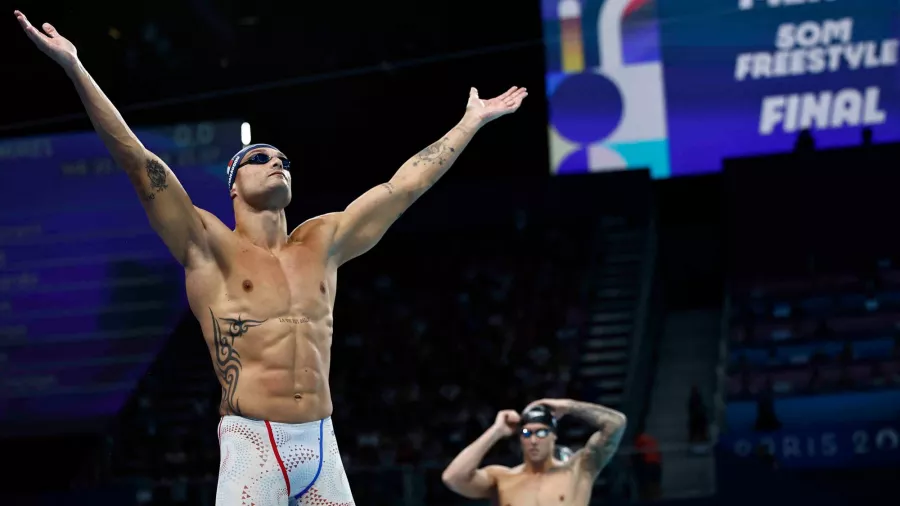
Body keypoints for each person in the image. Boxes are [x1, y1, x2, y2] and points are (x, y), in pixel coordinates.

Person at [14, 10, 528, 506]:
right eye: (260, 158)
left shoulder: (322, 241)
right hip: (253, 446)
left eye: (282, 159)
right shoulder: (207, 243)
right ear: (233, 184)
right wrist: (75, 66)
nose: (276, 162)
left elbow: (404, 185)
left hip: (323, 445)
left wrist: (472, 122)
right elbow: (136, 158)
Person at [442, 398, 626, 505]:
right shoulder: (502, 478)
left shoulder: (578, 470)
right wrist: (497, 430)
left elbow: (616, 424)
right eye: (526, 433)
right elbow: (453, 477)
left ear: (554, 436)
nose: (534, 440)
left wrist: (568, 405)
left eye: (542, 432)